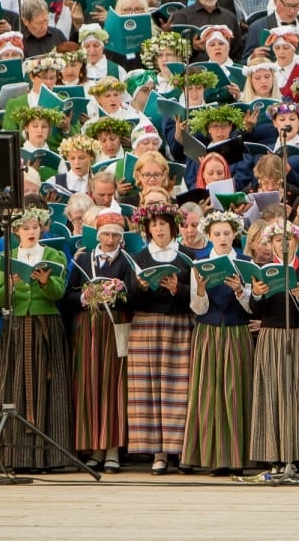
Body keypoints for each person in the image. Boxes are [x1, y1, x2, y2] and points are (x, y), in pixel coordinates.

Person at [0, 205, 73, 470]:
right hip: (16, 327)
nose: (31, 232)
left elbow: (58, 293)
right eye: (25, 228)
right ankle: (16, 456)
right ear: (16, 231)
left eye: (35, 227)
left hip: (45, 324)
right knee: (15, 385)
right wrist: (11, 286)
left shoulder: (53, 254)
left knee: (49, 387)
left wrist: (45, 282)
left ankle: (51, 457)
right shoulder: (6, 256)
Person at [247, 221, 299, 476]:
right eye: (278, 239)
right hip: (271, 335)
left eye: (288, 239)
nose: (283, 243)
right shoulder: (261, 270)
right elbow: (255, 308)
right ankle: (273, 454)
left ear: (297, 242)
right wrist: (257, 294)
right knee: (271, 393)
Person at [181, 210, 255, 475]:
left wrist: (239, 290)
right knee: (208, 393)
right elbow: (197, 308)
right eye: (217, 234)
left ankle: (234, 458)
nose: (222, 238)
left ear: (234, 234)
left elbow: (251, 308)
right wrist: (201, 289)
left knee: (235, 393)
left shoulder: (245, 262)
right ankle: (206, 455)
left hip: (236, 331)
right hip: (209, 331)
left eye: (226, 233)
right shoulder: (199, 262)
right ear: (208, 236)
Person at [127, 203, 194, 475]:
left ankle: (181, 451)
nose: (159, 229)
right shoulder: (140, 258)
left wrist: (179, 288)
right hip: (146, 326)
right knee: (150, 389)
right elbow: (130, 299)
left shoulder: (186, 256)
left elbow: (197, 298)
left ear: (173, 227)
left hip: (178, 325)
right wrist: (141, 287)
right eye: (154, 225)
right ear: (147, 229)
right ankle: (158, 452)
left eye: (163, 224)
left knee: (179, 389)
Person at [65, 211, 132, 473]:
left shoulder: (126, 261)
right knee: (89, 384)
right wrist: (86, 295)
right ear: (97, 235)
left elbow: (134, 293)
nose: (110, 239)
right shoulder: (83, 259)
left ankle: (113, 448)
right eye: (106, 233)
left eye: (116, 234)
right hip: (87, 326)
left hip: (115, 325)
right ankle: (94, 446)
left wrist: (117, 292)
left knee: (114, 385)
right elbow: (68, 295)